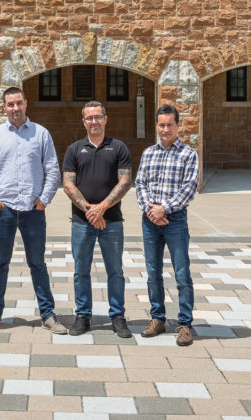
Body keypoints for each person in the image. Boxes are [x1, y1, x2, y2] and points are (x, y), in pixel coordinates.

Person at [0, 86, 67, 334]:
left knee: (37, 263)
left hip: (33, 210)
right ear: (4, 107)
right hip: (3, 209)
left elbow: (52, 170)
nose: (15, 108)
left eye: (19, 103)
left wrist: (44, 199)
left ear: (26, 103)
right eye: (10, 104)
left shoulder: (41, 134)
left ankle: (48, 315)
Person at [62, 101, 133, 338]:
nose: (94, 122)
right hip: (82, 223)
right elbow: (68, 184)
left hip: (111, 221)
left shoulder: (119, 147)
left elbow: (125, 182)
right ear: (83, 121)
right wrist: (89, 210)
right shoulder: (74, 149)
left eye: (98, 117)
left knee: (115, 271)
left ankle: (118, 316)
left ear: (105, 119)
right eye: (89, 118)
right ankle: (83, 315)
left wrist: (101, 209)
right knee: (81, 270)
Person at [135, 103, 199, 346]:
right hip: (150, 220)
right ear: (157, 126)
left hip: (175, 220)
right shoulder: (148, 153)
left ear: (178, 125)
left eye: (169, 124)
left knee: (182, 273)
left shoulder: (188, 154)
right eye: (161, 125)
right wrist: (149, 209)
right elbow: (140, 184)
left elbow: (189, 188)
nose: (165, 129)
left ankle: (184, 324)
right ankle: (158, 319)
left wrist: (165, 209)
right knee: (153, 273)